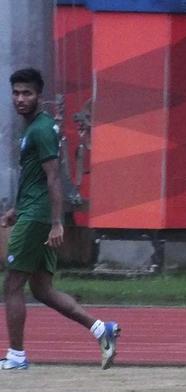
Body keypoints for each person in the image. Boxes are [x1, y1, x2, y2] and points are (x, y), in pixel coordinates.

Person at [2, 68, 120, 370]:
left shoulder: (40, 130)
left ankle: (16, 356)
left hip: (37, 218)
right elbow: (36, 179)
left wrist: (57, 222)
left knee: (12, 285)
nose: (20, 99)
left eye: (27, 93)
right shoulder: (36, 128)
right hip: (32, 213)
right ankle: (100, 329)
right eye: (16, 92)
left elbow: (54, 179)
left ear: (39, 95)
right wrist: (17, 208)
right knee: (42, 289)